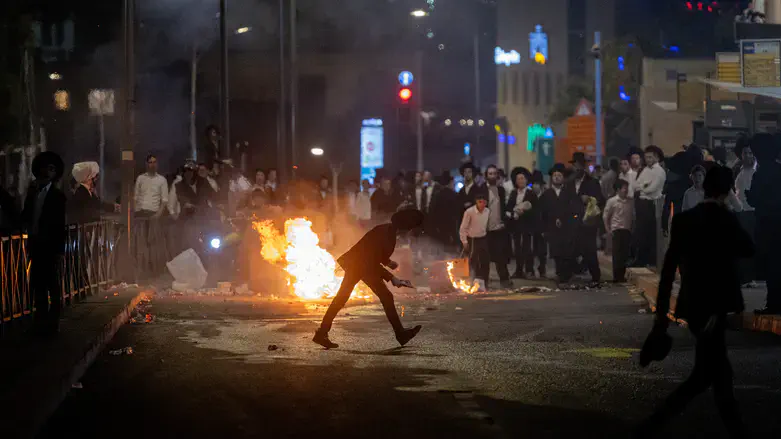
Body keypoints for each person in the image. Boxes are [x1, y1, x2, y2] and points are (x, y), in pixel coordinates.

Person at [636, 166, 753, 439]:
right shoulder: (725, 220)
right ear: (726, 191)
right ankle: (651, 425)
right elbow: (749, 247)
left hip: (695, 304)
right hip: (717, 307)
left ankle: (652, 425)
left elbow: (667, 272)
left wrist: (661, 319)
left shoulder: (685, 220)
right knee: (711, 374)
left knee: (710, 374)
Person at [313, 209, 425, 349]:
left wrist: (388, 262)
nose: (412, 232)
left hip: (361, 265)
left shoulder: (388, 231)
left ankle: (322, 333)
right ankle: (400, 334)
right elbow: (370, 260)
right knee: (352, 297)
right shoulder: (385, 233)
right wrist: (392, 278)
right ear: (406, 226)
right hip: (358, 265)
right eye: (412, 228)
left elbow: (376, 254)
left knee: (353, 297)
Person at [24, 152, 67, 335]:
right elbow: (26, 215)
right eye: (45, 168)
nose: (47, 172)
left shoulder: (58, 196)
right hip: (35, 244)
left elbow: (59, 225)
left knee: (53, 285)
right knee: (37, 285)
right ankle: (40, 321)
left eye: (51, 169)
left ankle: (53, 323)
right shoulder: (33, 193)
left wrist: (59, 250)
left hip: (50, 246)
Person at [746, 133, 781, 315]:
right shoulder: (778, 170)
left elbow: (755, 199)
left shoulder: (761, 173)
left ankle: (774, 303)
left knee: (771, 265)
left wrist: (749, 195)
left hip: (767, 224)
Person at [539, 163, 580, 284]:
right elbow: (542, 213)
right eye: (555, 175)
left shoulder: (569, 193)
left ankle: (567, 274)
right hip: (552, 228)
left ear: (563, 178)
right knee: (556, 252)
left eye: (559, 175)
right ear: (552, 178)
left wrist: (568, 220)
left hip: (567, 228)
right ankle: (560, 274)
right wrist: (544, 228)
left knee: (567, 251)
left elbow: (575, 210)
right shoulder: (547, 194)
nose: (557, 177)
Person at [568, 152, 605, 284]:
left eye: (579, 165)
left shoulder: (592, 182)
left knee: (589, 249)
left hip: (588, 221)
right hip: (573, 220)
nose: (577, 168)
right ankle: (572, 272)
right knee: (572, 248)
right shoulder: (569, 182)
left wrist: (589, 199)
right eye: (575, 165)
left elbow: (600, 200)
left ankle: (595, 275)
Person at [633, 145, 666, 267]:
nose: (648, 160)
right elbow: (636, 185)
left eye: (650, 157)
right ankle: (641, 259)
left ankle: (650, 260)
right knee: (640, 233)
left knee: (650, 234)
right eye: (646, 157)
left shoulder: (659, 171)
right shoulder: (645, 170)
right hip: (642, 203)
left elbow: (652, 189)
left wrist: (643, 187)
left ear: (657, 157)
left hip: (652, 205)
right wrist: (644, 186)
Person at [483, 165, 512, 288]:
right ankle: (483, 282)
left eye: (494, 173)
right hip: (485, 230)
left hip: (499, 229)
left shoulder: (501, 190)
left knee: (501, 257)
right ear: (486, 176)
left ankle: (504, 280)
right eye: (490, 173)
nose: (492, 176)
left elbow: (504, 207)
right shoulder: (482, 190)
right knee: (484, 258)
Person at [506, 167, 537, 278]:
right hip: (516, 225)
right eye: (518, 179)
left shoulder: (531, 193)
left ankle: (529, 270)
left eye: (523, 179)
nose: (521, 181)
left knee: (527, 248)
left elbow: (535, 210)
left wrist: (524, 212)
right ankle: (519, 270)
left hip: (527, 225)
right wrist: (511, 213)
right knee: (517, 249)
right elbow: (508, 207)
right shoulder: (513, 193)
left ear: (526, 180)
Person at [734, 143, 757, 286]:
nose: (747, 156)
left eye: (750, 153)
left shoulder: (756, 172)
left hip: (754, 212)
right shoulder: (739, 171)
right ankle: (746, 277)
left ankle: (750, 276)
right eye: (745, 153)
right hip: (742, 212)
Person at [603, 179, 633, 283]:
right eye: (624, 188)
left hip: (627, 230)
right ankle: (616, 276)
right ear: (618, 189)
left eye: (627, 188)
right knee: (617, 254)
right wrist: (608, 229)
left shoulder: (630, 201)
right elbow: (606, 216)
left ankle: (622, 275)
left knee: (624, 254)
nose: (626, 190)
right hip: (616, 229)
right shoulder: (612, 201)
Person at [460, 191, 490, 291]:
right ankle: (471, 282)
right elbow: (463, 228)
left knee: (485, 261)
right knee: (473, 261)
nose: (482, 204)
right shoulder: (469, 212)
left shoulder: (487, 211)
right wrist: (464, 241)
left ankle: (484, 282)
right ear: (476, 202)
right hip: (472, 239)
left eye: (484, 202)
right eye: (480, 202)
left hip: (483, 238)